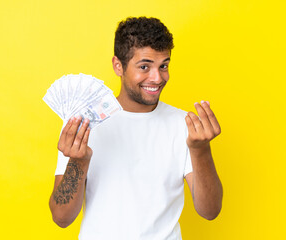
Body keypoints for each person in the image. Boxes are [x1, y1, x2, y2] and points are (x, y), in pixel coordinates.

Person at [49, 17, 223, 239]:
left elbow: (210, 211)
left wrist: (201, 150)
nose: (157, 78)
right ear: (118, 66)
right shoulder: (83, 124)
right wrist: (78, 161)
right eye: (144, 67)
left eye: (164, 66)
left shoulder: (184, 125)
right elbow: (61, 218)